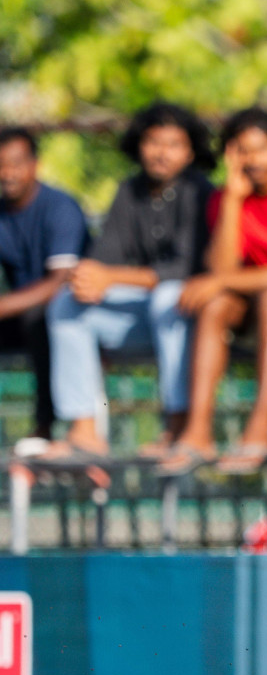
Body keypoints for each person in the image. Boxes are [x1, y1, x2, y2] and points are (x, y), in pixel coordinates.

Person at [163, 108, 267, 473]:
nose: (252, 160)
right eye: (242, 151)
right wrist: (232, 200)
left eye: (261, 149)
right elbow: (221, 270)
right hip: (249, 297)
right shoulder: (226, 197)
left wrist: (223, 281)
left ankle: (258, 431)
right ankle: (198, 434)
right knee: (213, 304)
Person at [44, 102, 214, 459]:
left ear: (190, 151)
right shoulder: (129, 190)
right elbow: (105, 258)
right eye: (153, 142)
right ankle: (83, 430)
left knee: (170, 296)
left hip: (193, 322)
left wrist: (110, 277)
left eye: (173, 144)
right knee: (65, 303)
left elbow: (184, 269)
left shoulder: (201, 192)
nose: (161, 153)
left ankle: (177, 426)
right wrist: (87, 278)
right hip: (143, 321)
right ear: (139, 145)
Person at [0, 127, 88, 450]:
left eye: (15, 163)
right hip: (20, 315)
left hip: (74, 313)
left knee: (39, 317)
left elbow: (60, 282)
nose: (7, 173)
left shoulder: (60, 207)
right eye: (1, 165)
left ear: (34, 165)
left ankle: (44, 428)